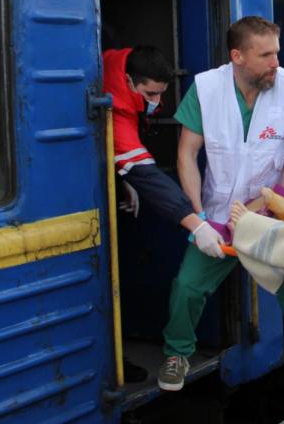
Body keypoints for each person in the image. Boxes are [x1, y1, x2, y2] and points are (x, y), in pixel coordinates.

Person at [158, 16, 284, 424]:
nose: (275, 62)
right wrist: (198, 218)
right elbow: (186, 154)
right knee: (188, 286)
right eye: (265, 55)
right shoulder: (206, 89)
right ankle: (178, 353)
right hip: (219, 215)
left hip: (276, 218)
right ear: (237, 56)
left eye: (276, 52)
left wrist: (268, 205)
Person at [102, 45, 208, 384]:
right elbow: (147, 175)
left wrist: (121, 177)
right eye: (150, 94)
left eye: (161, 93)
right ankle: (112, 361)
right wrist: (196, 224)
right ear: (129, 81)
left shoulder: (121, 67)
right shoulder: (116, 104)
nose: (156, 102)